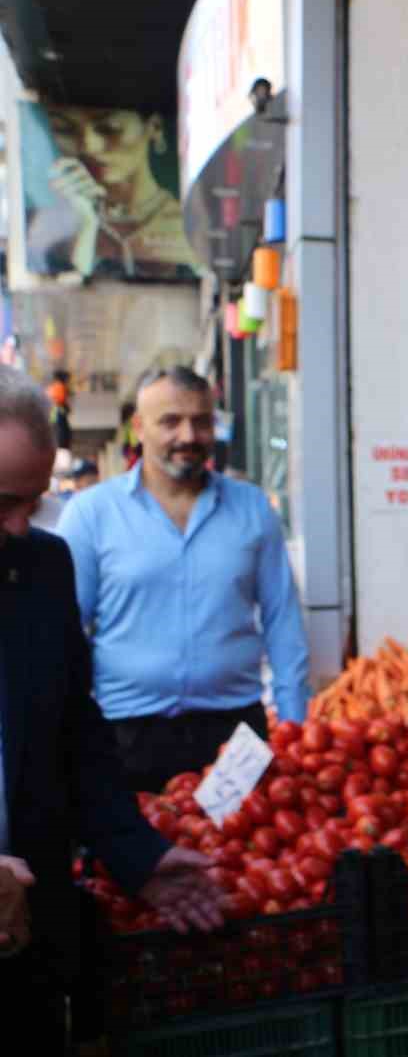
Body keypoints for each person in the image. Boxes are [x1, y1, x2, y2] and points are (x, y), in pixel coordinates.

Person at [0, 367, 222, 1041]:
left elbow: (75, 728)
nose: (20, 525)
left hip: (31, 930)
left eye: (32, 502)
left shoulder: (43, 566)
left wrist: (137, 855)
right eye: (3, 502)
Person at [57, 366, 311, 793]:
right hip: (126, 734)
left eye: (201, 421)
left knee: (237, 834)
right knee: (137, 836)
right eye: (170, 421)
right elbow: (64, 632)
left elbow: (283, 623)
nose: (188, 436)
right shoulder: (92, 515)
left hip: (237, 736)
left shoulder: (252, 510)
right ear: (139, 427)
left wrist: (294, 727)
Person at [27, 106, 200, 279]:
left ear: (154, 127)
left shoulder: (195, 225)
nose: (89, 146)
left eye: (109, 128)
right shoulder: (45, 228)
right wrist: (85, 225)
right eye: (65, 130)